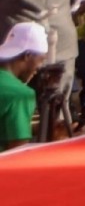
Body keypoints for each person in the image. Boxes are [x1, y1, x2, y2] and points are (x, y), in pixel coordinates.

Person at [0, 22, 48, 150]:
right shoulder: (20, 94)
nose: (39, 68)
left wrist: (40, 128)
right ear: (28, 56)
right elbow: (18, 150)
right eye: (41, 59)